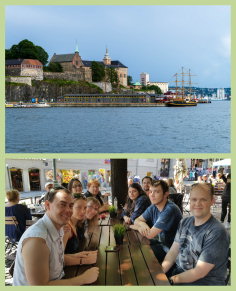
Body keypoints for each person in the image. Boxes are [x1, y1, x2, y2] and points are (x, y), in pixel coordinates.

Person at [13, 187, 99, 286]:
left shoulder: (59, 228)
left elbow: (55, 261)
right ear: (47, 205)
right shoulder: (37, 241)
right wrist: (83, 279)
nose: (68, 210)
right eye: (62, 205)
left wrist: (78, 257)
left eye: (71, 206)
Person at [162, 183, 230, 286]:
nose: (197, 203)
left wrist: (170, 281)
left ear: (212, 201)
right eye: (194, 199)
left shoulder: (216, 232)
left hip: (203, 282)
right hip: (181, 274)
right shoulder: (185, 222)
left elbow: (199, 272)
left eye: (203, 199)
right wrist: (160, 272)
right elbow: (173, 252)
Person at [132, 180, 182, 263]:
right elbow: (137, 220)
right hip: (160, 243)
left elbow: (150, 235)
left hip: (171, 252)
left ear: (166, 194)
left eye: (156, 192)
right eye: (150, 191)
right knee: (134, 247)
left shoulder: (170, 209)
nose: (152, 195)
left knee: (139, 255)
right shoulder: (154, 206)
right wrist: (142, 225)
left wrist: (137, 227)